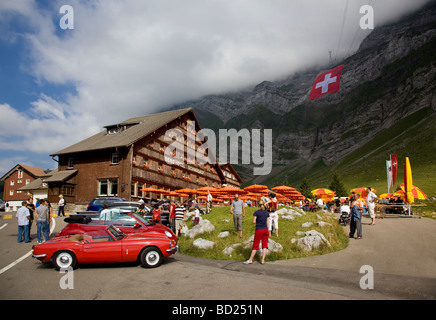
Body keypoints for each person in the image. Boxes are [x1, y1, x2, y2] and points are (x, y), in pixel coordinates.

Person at [243, 200, 270, 265]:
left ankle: (250, 259)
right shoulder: (267, 213)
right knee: (265, 245)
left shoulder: (256, 212)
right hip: (265, 229)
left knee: (255, 245)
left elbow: (254, 221)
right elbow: (268, 222)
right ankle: (263, 260)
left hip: (259, 229)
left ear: (258, 205)